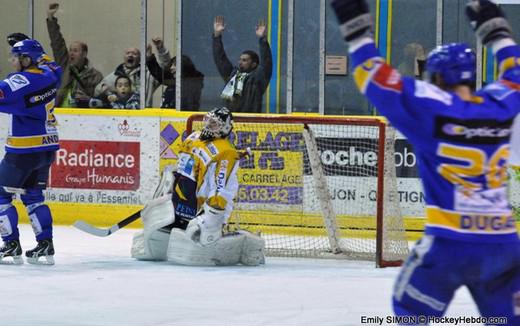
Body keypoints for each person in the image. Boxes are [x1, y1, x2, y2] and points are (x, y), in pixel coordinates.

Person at [331, 0, 520, 322]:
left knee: (408, 313)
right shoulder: (499, 106)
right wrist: (496, 31)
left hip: (448, 244)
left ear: (437, 78)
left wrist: (356, 30)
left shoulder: (431, 108)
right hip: (502, 243)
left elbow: (374, 78)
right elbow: (515, 75)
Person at [130, 107, 264, 266]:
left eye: (214, 124)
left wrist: (212, 217)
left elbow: (219, 186)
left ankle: (233, 236)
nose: (208, 126)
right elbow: (185, 165)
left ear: (226, 127)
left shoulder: (220, 149)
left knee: (217, 205)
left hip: (193, 207)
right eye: (208, 122)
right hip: (187, 205)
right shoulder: (198, 139)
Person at [0, 39, 62, 265]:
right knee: (33, 196)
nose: (12, 61)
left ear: (26, 60)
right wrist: (33, 48)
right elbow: (55, 65)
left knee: (0, 195)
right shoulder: (50, 75)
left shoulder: (20, 80)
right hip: (47, 149)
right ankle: (45, 244)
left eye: (16, 57)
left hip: (23, 151)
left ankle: (11, 244)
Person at [46, 3, 103, 108]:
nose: (71, 53)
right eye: (70, 50)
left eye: (75, 50)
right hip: (59, 113)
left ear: (84, 54)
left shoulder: (95, 76)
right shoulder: (64, 66)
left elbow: (100, 100)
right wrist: (51, 19)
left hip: (81, 116)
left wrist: (88, 99)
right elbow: (57, 43)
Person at [212, 16, 273, 113]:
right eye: (240, 59)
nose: (240, 62)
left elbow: (267, 62)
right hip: (231, 121)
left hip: (250, 123)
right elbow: (220, 59)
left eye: (244, 60)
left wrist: (262, 39)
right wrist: (217, 35)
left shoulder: (258, 78)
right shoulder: (233, 75)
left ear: (254, 64)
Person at [146, 39, 204, 110]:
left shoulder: (191, 85)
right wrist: (149, 57)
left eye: (175, 65)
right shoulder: (174, 83)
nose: (171, 68)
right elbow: (160, 75)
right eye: (171, 65)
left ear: (184, 67)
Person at [94, 47, 159, 108]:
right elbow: (97, 91)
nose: (130, 55)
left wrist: (158, 53)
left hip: (144, 115)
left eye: (134, 54)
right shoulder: (113, 76)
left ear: (140, 59)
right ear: (124, 57)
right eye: (128, 53)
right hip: (118, 115)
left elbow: (163, 71)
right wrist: (108, 94)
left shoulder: (147, 75)